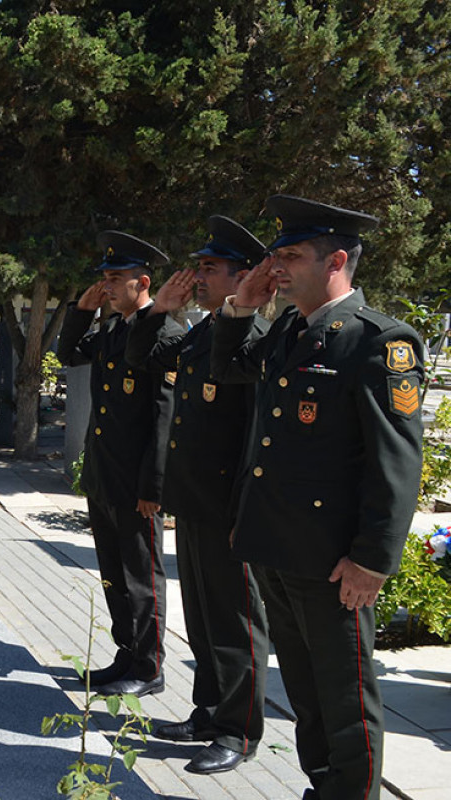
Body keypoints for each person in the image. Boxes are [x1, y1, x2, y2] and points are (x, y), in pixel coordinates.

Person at [211, 195, 423, 800]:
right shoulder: (289, 326)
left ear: (335, 260)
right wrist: (240, 307)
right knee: (304, 693)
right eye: (275, 253)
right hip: (279, 548)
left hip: (335, 564)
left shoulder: (377, 341)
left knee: (346, 700)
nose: (276, 264)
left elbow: (396, 463)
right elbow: (233, 373)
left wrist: (373, 559)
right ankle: (322, 788)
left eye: (291, 254)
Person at [126, 216, 270, 774]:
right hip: (195, 505)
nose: (200, 277)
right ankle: (208, 712)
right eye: (201, 267)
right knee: (205, 618)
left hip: (228, 509)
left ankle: (239, 731)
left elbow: (258, 437)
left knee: (236, 622)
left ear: (244, 276)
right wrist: (159, 310)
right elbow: (145, 357)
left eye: (211, 268)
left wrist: (244, 513)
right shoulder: (205, 333)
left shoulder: (252, 338)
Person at [56, 231, 180, 698]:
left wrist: (154, 487)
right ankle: (126, 655)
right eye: (103, 278)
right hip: (105, 476)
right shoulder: (112, 328)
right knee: (113, 574)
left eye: (115, 278)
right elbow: (68, 354)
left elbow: (163, 418)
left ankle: (149, 668)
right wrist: (83, 311)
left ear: (142, 282)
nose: (106, 285)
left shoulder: (165, 333)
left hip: (136, 485)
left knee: (142, 578)